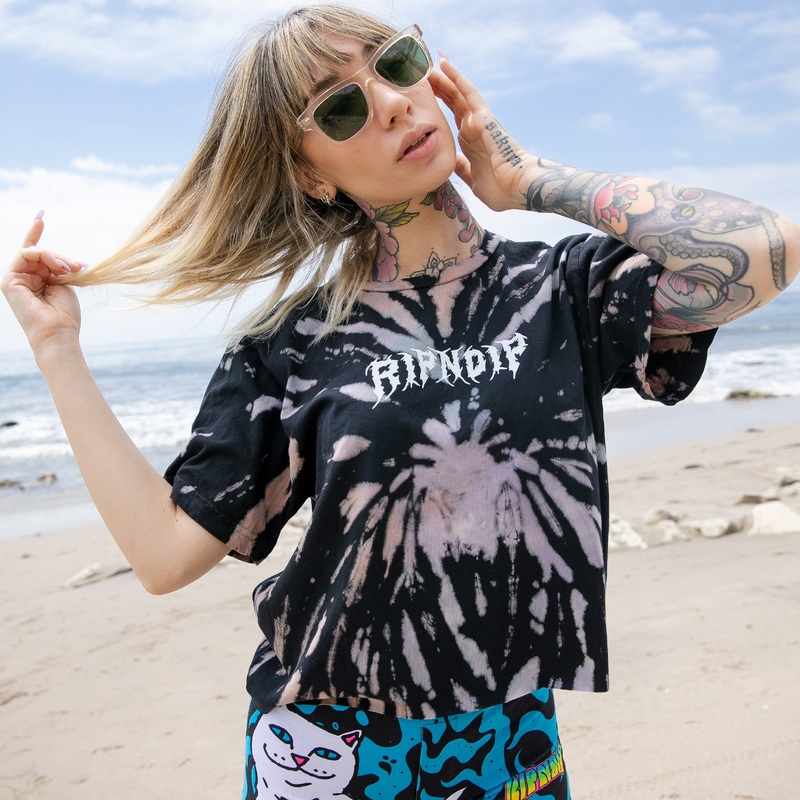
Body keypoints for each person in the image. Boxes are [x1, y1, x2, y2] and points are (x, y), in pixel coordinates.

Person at [3, 4, 798, 799]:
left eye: (396, 64)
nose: (389, 102)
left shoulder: (564, 289)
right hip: (331, 749)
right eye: (339, 108)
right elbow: (165, 555)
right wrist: (57, 351)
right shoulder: (293, 343)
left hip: (512, 732)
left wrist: (528, 180)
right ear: (312, 175)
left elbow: (766, 249)